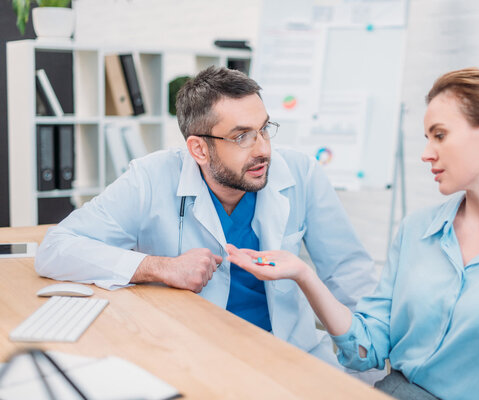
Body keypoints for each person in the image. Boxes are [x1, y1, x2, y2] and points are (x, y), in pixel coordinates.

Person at [227, 68, 479, 399]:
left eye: (440, 135)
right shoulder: (417, 231)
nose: (426, 153)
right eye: (427, 137)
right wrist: (303, 274)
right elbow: (368, 347)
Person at [35, 66, 379, 368]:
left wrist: (372, 367)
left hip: (289, 357)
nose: (263, 149)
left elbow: (349, 274)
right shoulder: (150, 178)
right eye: (242, 136)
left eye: (264, 129)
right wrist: (159, 267)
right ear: (199, 149)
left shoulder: (301, 172)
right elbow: (56, 248)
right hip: (192, 357)